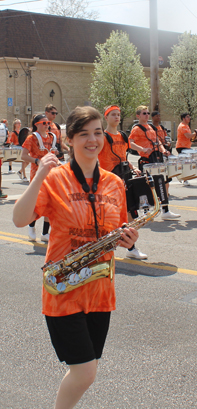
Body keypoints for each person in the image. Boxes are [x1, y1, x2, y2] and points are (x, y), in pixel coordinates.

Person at [12, 106, 138, 409]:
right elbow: (19, 218)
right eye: (84, 134)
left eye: (97, 132)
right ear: (69, 140)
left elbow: (119, 227)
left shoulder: (114, 183)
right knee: (84, 372)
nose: (93, 139)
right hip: (63, 288)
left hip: (100, 290)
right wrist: (41, 172)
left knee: (86, 369)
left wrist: (129, 238)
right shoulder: (55, 179)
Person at [99, 105, 148, 260]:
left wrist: (133, 167)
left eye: (118, 115)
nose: (117, 117)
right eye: (113, 115)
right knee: (108, 216)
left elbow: (123, 156)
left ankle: (131, 248)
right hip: (109, 180)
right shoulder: (103, 137)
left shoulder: (122, 136)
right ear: (106, 118)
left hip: (124, 178)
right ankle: (103, 247)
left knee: (128, 213)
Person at [129, 106, 180, 221]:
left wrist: (164, 151)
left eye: (147, 113)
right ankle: (146, 211)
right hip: (147, 160)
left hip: (157, 157)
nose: (147, 115)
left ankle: (165, 210)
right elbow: (130, 143)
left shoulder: (151, 127)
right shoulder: (136, 129)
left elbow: (158, 142)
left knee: (163, 182)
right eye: (144, 113)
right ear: (138, 116)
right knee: (147, 185)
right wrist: (142, 149)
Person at [21, 113, 60, 241]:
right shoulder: (31, 138)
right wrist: (37, 161)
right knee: (36, 204)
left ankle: (45, 233)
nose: (47, 125)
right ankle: (31, 226)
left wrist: (58, 162)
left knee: (49, 204)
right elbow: (24, 156)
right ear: (36, 125)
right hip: (37, 174)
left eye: (48, 123)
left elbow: (52, 153)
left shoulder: (51, 137)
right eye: (44, 123)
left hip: (50, 174)